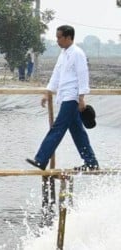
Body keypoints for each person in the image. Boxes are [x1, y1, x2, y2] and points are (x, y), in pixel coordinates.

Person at [26, 25, 99, 171]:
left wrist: (82, 97)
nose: (57, 40)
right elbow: (56, 74)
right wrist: (48, 92)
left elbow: (83, 75)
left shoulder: (77, 53)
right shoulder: (63, 54)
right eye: (57, 37)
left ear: (68, 37)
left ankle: (41, 159)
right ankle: (91, 163)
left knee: (58, 128)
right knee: (77, 131)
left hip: (72, 97)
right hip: (65, 96)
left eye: (59, 37)